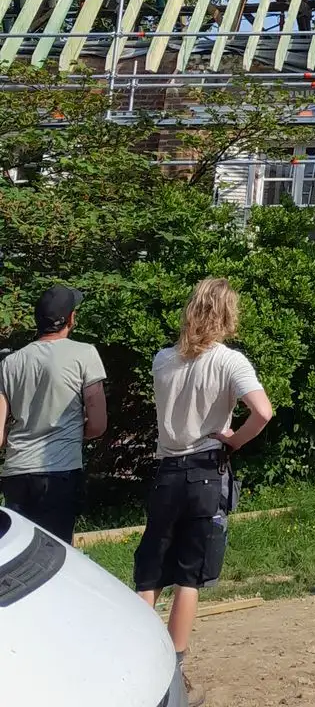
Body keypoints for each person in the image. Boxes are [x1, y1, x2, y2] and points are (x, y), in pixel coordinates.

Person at [133, 277, 272, 695]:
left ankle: (137, 657)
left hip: (166, 471)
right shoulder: (229, 362)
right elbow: (263, 412)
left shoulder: (163, 360)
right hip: (206, 471)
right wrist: (236, 440)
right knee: (189, 575)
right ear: (228, 314)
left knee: (150, 572)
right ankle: (173, 673)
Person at [0, 283, 107, 543]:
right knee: (56, 553)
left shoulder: (10, 363)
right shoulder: (84, 354)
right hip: (59, 472)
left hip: (16, 473)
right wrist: (70, 433)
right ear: (71, 318)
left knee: (20, 552)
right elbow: (98, 424)